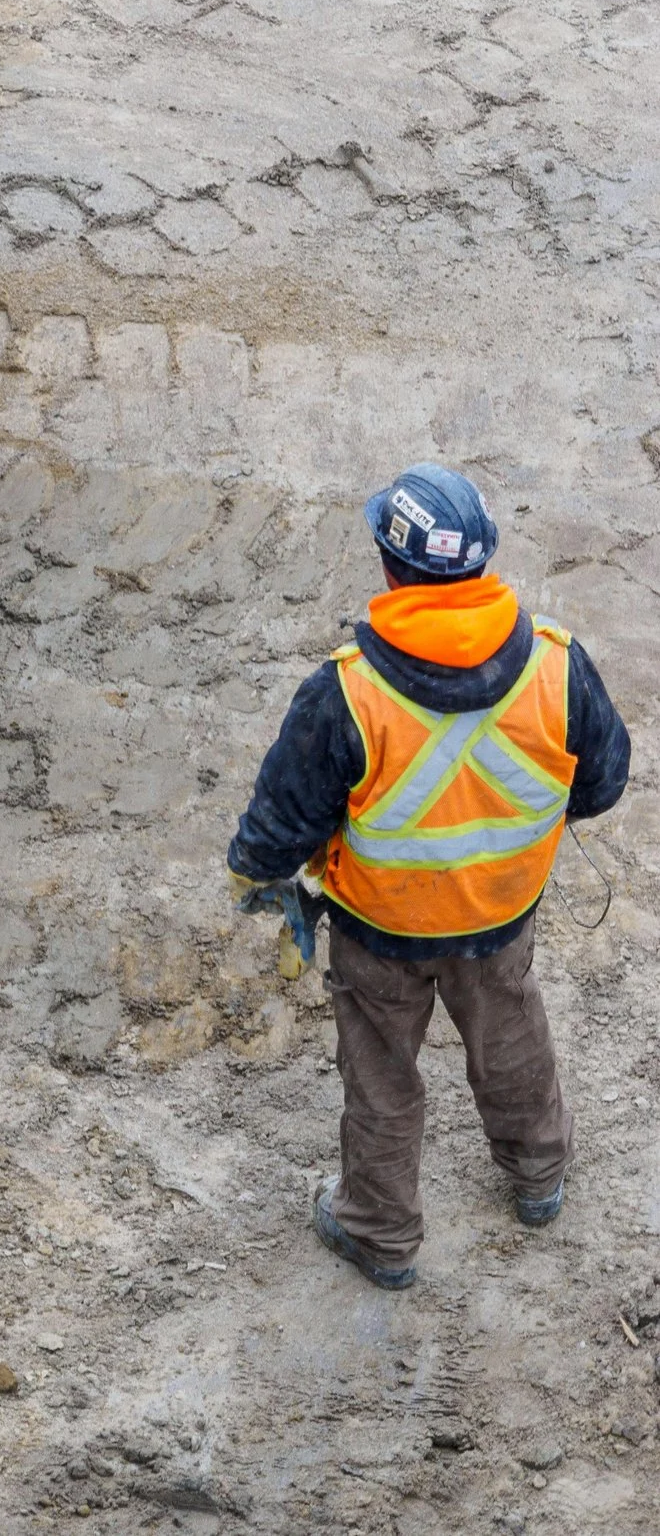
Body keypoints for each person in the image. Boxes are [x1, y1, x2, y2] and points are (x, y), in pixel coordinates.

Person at [226, 463, 629, 1289]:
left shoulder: (346, 692)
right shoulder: (558, 665)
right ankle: (539, 1176)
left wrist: (261, 877)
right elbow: (603, 780)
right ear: (481, 563)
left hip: (382, 932)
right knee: (509, 1034)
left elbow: (280, 824)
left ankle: (379, 1229)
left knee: (380, 1069)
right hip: (500, 915)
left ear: (389, 567)